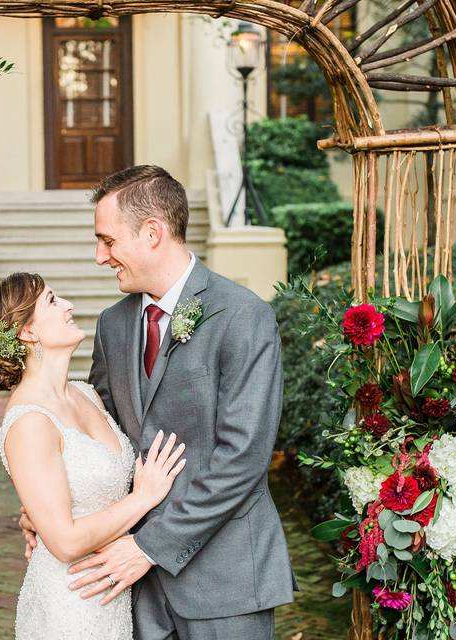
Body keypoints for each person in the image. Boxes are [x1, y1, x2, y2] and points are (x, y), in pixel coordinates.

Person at [19, 165, 297, 639]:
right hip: (133, 592)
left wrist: (149, 547)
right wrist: (46, 506)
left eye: (107, 241)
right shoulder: (114, 324)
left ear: (152, 233)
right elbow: (99, 437)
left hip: (224, 581)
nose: (99, 257)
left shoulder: (243, 316)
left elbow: (243, 458)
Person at [0, 272, 187, 639]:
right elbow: (66, 542)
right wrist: (144, 497)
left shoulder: (86, 394)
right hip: (69, 605)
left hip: (110, 597)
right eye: (53, 301)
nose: (68, 306)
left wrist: (36, 513)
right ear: (27, 332)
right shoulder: (29, 423)